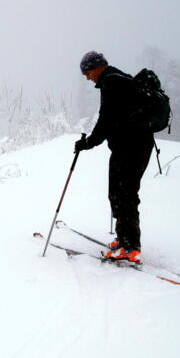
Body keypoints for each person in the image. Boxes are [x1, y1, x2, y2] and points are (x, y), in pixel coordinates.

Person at [74, 51, 154, 264]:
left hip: (131, 148)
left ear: (97, 66)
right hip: (133, 146)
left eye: (87, 71)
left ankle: (130, 246)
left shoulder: (112, 82)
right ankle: (124, 240)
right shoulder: (116, 79)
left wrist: (88, 142)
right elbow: (111, 119)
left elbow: (106, 120)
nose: (87, 77)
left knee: (124, 194)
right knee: (119, 193)